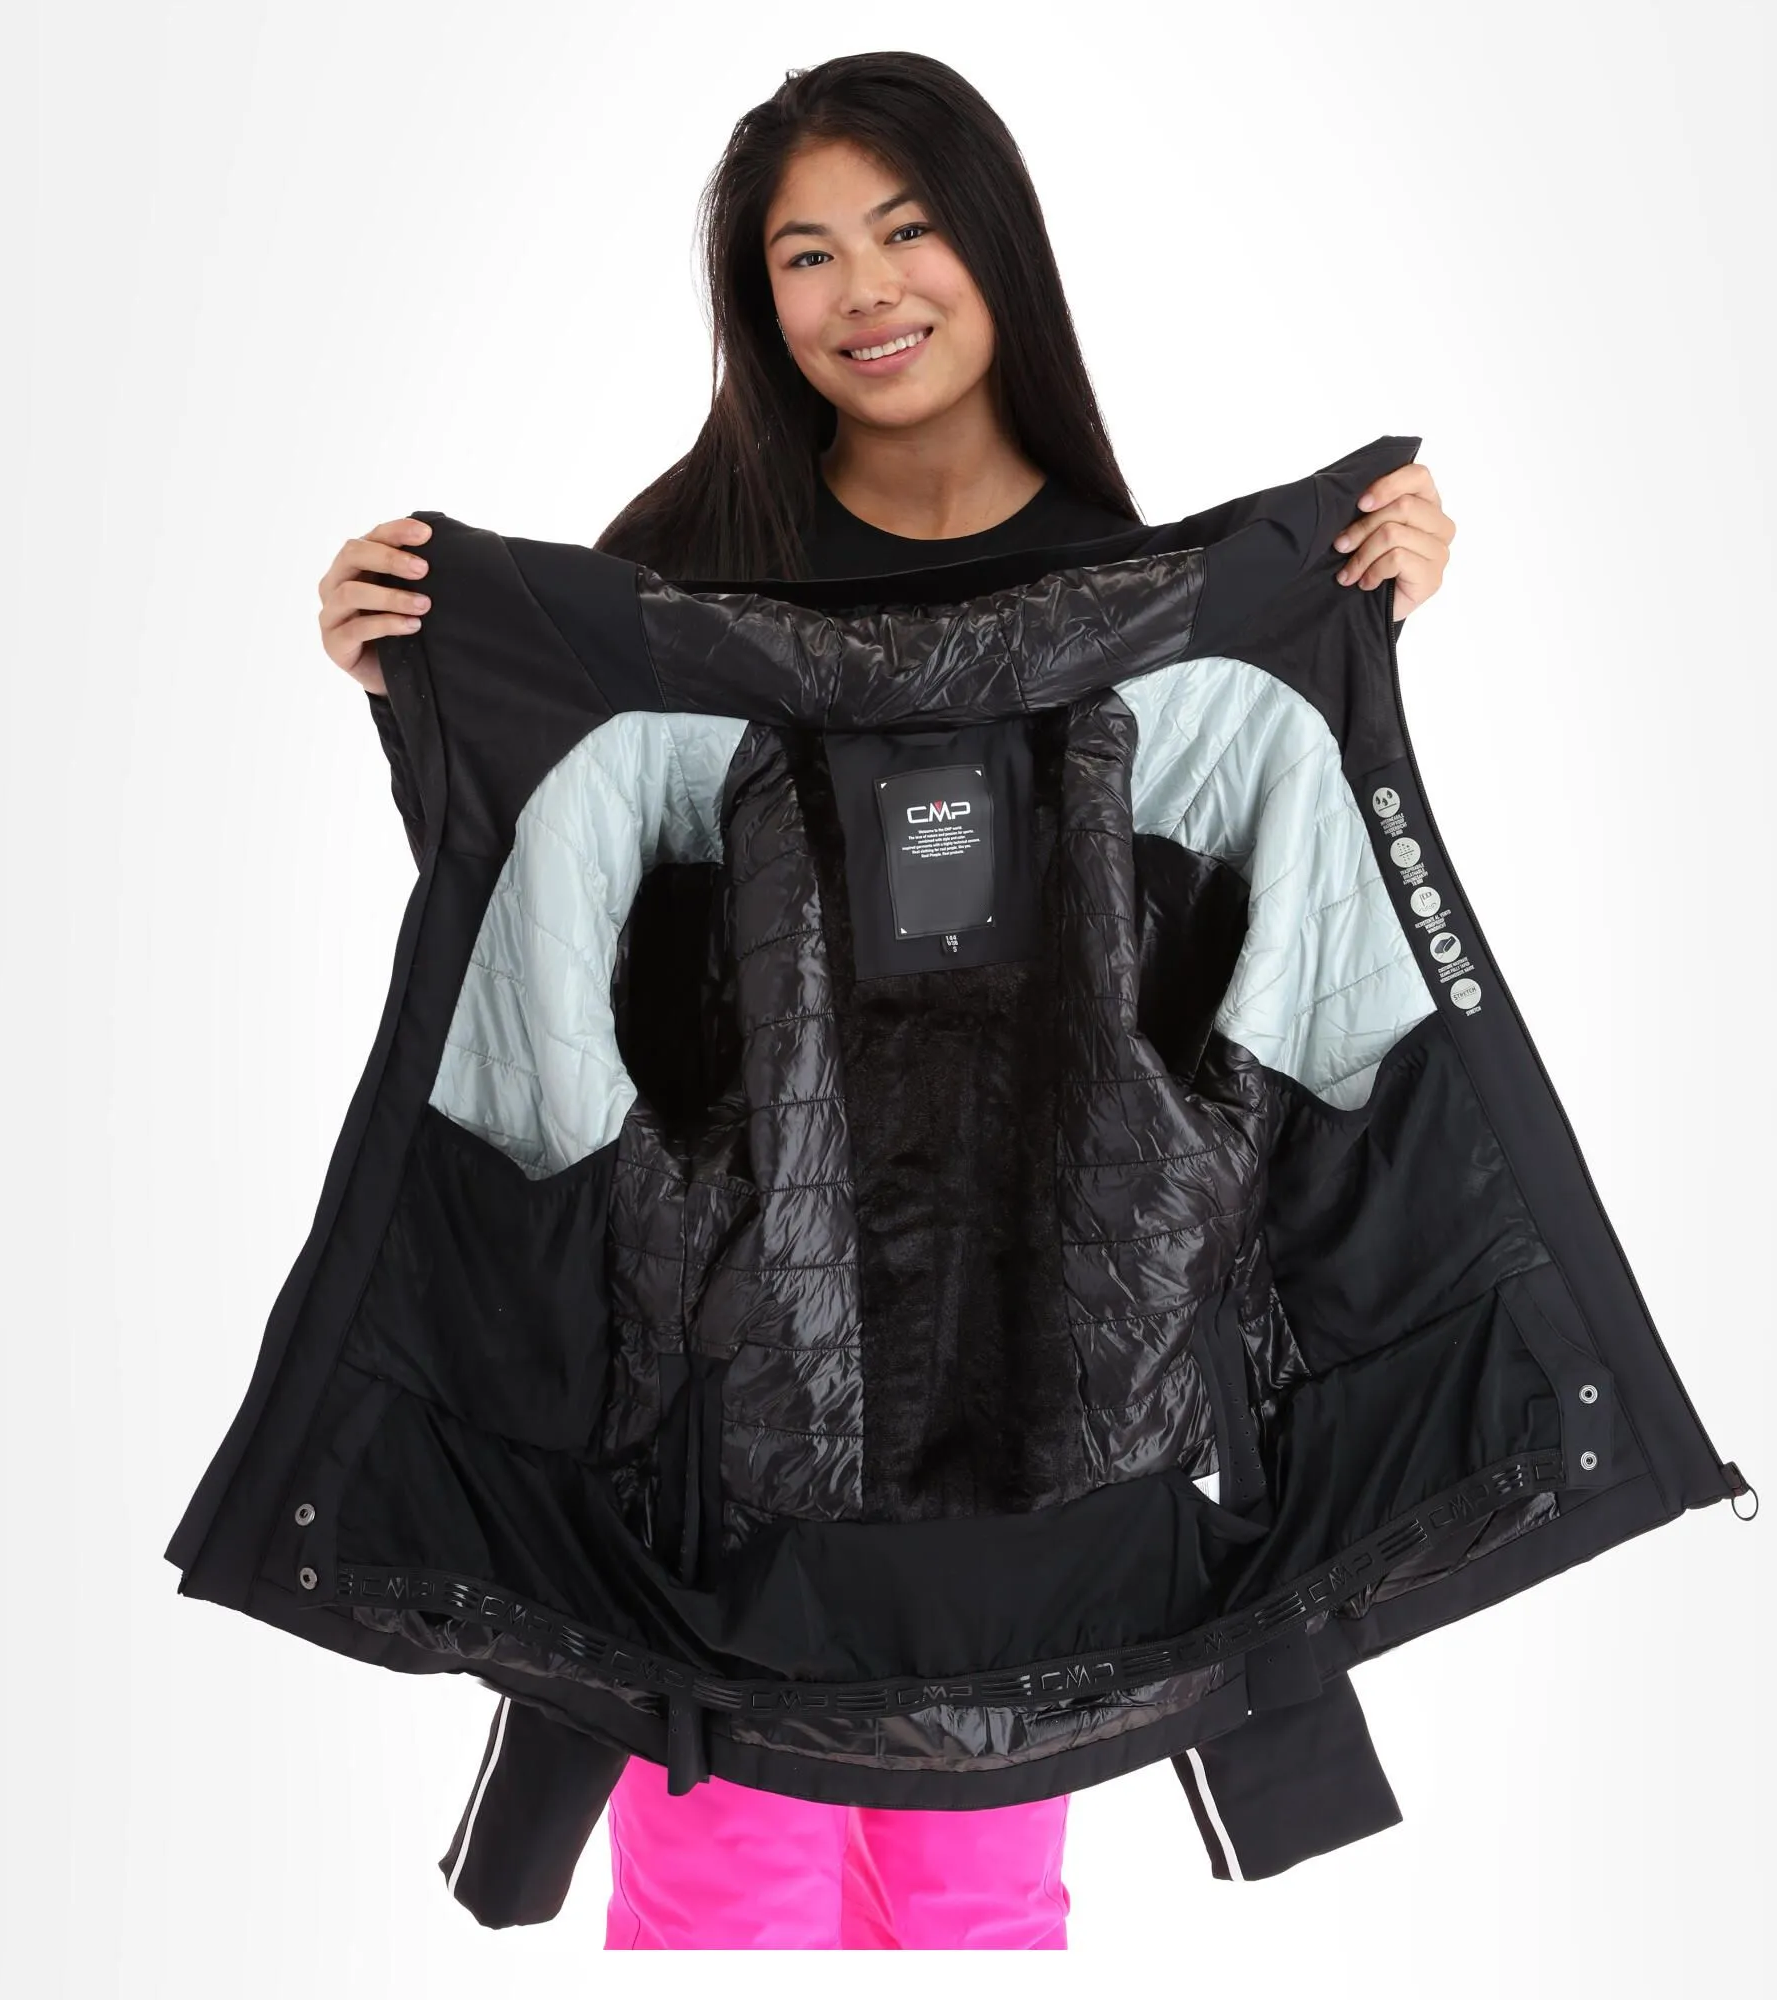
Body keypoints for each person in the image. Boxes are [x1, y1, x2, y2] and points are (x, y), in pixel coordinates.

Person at [312, 49, 1455, 1952]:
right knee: (724, 1893)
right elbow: (561, 945)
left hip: (1043, 1400)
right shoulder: (677, 586)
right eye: (807, 255)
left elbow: (1254, 971)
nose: (867, 292)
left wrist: (1361, 626)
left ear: (997, 243)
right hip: (739, 1415)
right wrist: (415, 694)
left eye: (907, 230)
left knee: (976, 1900)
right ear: (759, 302)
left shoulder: (1152, 606)